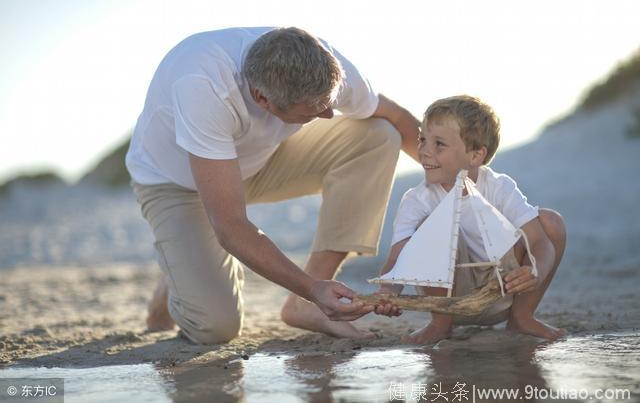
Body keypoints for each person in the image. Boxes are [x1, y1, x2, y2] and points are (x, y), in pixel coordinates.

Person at [125, 27, 421, 344]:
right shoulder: (203, 86)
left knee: (378, 134)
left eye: (329, 103)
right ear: (262, 99)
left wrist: (456, 180)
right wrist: (309, 286)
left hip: (264, 161)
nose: (329, 114)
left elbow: (399, 120)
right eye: (313, 111)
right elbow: (230, 225)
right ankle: (182, 267)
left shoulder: (325, 66)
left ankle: (306, 307)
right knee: (215, 327)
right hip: (177, 183)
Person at [373, 95, 567, 344]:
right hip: (451, 300)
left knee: (550, 222)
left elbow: (540, 241)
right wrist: (387, 294)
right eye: (422, 139)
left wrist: (534, 270)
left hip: (504, 289)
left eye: (439, 144)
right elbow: (398, 258)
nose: (423, 151)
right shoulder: (417, 199)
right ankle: (440, 324)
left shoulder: (499, 187)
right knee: (430, 227)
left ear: (475, 155)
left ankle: (521, 317)